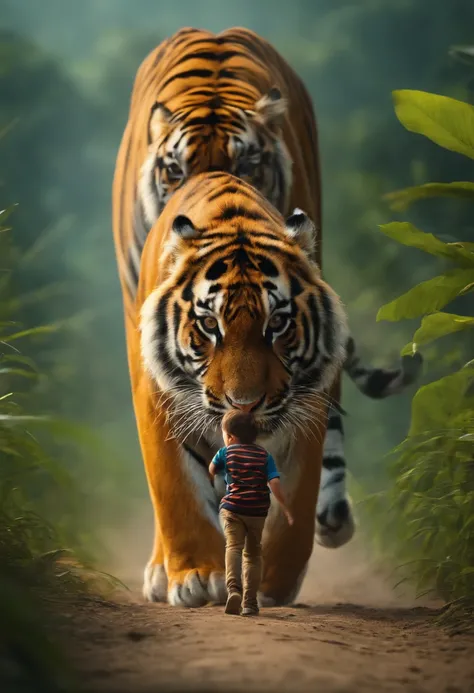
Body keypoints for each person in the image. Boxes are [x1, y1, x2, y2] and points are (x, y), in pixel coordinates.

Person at [209, 409, 294, 617]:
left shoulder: (226, 453)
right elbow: (274, 483)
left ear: (230, 437)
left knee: (233, 547)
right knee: (254, 555)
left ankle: (233, 590)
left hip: (233, 509)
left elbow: (212, 469)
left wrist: (219, 473)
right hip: (257, 511)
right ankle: (249, 602)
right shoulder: (264, 456)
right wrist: (286, 509)